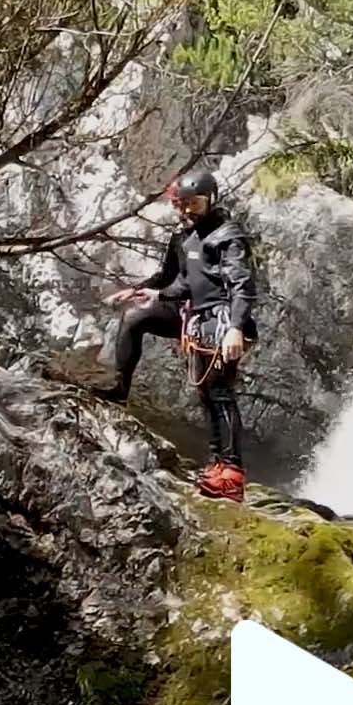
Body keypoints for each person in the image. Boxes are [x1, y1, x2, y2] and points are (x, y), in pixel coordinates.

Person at [106, 166, 257, 504]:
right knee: (207, 393)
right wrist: (150, 293)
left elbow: (242, 286)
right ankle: (218, 464)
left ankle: (232, 473)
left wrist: (235, 327)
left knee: (220, 393)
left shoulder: (228, 236)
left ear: (211, 200)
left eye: (194, 203)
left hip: (221, 320)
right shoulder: (187, 238)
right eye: (182, 204)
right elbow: (183, 282)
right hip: (199, 320)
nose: (187, 209)